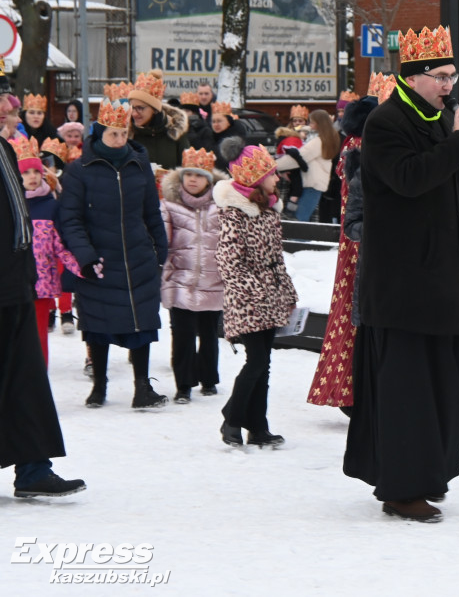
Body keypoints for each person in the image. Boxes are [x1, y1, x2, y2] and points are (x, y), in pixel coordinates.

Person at [343, 25, 459, 523]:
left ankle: (429, 470)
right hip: (403, 283)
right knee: (408, 387)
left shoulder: (438, 118)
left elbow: (449, 202)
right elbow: (410, 180)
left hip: (443, 278)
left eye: (452, 75)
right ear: (413, 76)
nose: (449, 85)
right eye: (440, 76)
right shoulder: (386, 122)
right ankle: (401, 487)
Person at [0, 65, 86, 499]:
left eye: (7, 100)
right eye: (2, 101)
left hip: (15, 284)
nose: (8, 109)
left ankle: (33, 469)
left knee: (26, 380)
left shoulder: (3, 149)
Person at [59, 98, 169, 410]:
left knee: (143, 321)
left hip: (137, 256)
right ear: (99, 134)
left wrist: (161, 250)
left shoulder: (139, 166)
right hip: (100, 259)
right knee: (97, 323)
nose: (120, 140)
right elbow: (71, 219)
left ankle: (142, 387)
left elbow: (152, 211)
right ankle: (100, 385)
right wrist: (85, 256)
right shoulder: (79, 170)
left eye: (124, 133)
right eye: (113, 135)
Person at [307, 74, 394, 412]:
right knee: (360, 315)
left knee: (356, 314)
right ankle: (355, 390)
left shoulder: (356, 145)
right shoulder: (362, 148)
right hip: (364, 245)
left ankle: (358, 389)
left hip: (360, 244)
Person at [214, 137, 297, 449]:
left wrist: (287, 292)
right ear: (257, 179)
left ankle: (257, 427)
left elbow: (276, 259)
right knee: (256, 361)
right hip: (248, 301)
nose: (278, 178)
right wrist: (255, 292)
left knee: (264, 363)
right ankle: (232, 418)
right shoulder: (235, 213)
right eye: (272, 173)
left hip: (270, 296)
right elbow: (228, 261)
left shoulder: (269, 210)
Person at [160, 147, 226, 403]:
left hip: (212, 279)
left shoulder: (220, 207)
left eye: (199, 176)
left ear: (209, 181)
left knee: (209, 333)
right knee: (182, 333)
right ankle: (183, 384)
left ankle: (209, 378)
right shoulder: (169, 206)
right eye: (188, 174)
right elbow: (162, 241)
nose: (193, 180)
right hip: (180, 280)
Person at [15, 136, 80, 365]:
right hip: (14, 283)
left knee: (39, 333)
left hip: (41, 284)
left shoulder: (51, 206)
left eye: (35, 171)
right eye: (25, 173)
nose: (32, 177)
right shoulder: (13, 206)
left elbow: (62, 246)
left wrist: (80, 267)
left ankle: (39, 374)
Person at [276, 109, 340, 222]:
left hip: (311, 184)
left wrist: (273, 165)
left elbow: (297, 158)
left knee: (299, 222)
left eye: (312, 122)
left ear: (319, 124)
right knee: (302, 221)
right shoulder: (327, 139)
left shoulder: (318, 142)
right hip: (316, 184)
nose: (309, 125)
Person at [127, 70, 190, 171]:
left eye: (140, 108)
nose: (134, 113)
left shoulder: (175, 133)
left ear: (155, 109)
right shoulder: (127, 135)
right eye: (132, 107)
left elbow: (186, 170)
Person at [210, 102, 245, 172]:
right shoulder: (209, 137)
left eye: (219, 121)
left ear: (228, 122)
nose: (216, 124)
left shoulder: (236, 142)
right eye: (213, 122)